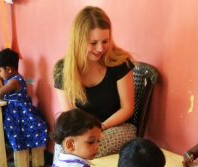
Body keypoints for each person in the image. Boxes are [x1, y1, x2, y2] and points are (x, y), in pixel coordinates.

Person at [53, 6, 136, 159]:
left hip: (117, 126)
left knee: (88, 146)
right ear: (78, 40)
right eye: (93, 43)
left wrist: (100, 128)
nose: (100, 48)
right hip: (81, 130)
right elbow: (70, 115)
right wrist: (84, 134)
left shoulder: (119, 62)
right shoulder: (62, 69)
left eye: (105, 41)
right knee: (65, 146)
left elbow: (127, 108)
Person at [0, 48, 47, 152]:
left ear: (9, 69)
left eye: (0, 71)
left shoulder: (14, 81)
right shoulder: (9, 80)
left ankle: (7, 152)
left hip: (19, 113)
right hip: (12, 112)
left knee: (9, 130)